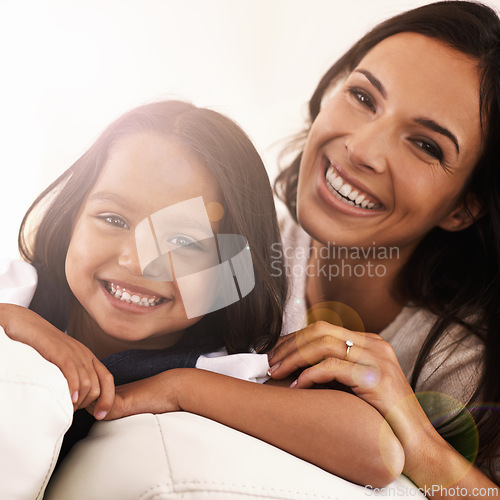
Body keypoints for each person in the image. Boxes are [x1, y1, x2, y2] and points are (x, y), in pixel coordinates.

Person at [0, 100, 403, 488]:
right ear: (72, 218)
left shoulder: (212, 367)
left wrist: (181, 388)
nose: (138, 261)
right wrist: (19, 322)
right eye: (113, 219)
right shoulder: (25, 290)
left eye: (182, 240)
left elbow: (378, 452)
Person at [268, 0, 500, 497]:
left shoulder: (463, 368)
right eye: (363, 96)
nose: (362, 149)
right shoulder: (233, 252)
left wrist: (414, 433)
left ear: (465, 207)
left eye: (426, 145)